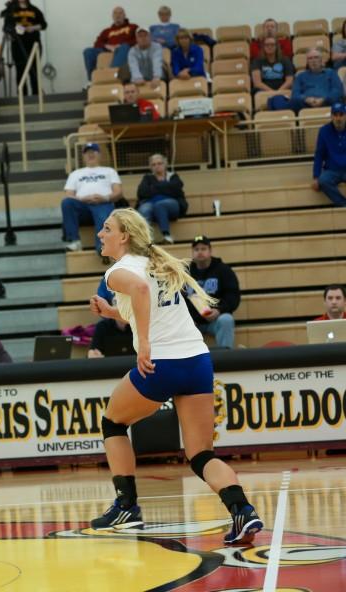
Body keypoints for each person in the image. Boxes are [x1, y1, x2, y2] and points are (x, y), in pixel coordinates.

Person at [87, 208, 263, 545]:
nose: (100, 234)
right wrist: (111, 312)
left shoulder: (117, 272)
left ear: (124, 236)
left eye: (107, 228)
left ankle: (126, 505)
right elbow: (148, 305)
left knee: (112, 423)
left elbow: (138, 291)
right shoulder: (158, 264)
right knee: (200, 455)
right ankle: (242, 510)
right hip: (196, 360)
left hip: (162, 362)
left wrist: (144, 347)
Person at [61, 143, 121, 255]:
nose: (90, 154)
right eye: (87, 152)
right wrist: (82, 199)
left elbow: (118, 192)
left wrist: (105, 197)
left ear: (99, 155)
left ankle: (102, 247)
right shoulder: (75, 173)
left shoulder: (109, 171)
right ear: (83, 156)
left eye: (93, 152)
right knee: (67, 202)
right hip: (83, 206)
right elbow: (69, 194)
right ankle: (74, 241)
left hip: (104, 203)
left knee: (102, 211)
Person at [189, 236, 240, 349]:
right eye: (196, 249)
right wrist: (188, 318)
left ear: (210, 251)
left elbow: (233, 296)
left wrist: (218, 310)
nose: (200, 252)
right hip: (192, 323)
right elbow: (180, 298)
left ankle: (226, 358)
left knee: (226, 319)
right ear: (192, 253)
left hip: (215, 320)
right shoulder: (186, 273)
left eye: (203, 249)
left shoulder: (224, 270)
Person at [270, 50, 344, 113]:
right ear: (307, 62)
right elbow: (295, 93)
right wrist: (306, 99)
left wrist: (323, 99)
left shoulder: (331, 73)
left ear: (321, 60)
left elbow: (337, 91)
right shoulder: (300, 76)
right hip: (305, 105)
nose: (313, 60)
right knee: (289, 101)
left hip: (327, 103)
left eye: (316, 57)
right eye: (310, 58)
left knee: (337, 101)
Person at [0, 0, 47, 95]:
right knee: (20, 71)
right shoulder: (11, 10)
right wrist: (14, 30)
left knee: (34, 70)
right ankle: (22, 96)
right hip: (18, 44)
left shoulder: (34, 10)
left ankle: (36, 94)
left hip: (33, 44)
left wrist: (33, 28)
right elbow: (6, 27)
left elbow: (43, 25)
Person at [136, 154, 186, 243]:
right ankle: (145, 239)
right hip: (151, 204)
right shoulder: (147, 178)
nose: (157, 166)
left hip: (172, 204)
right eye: (153, 164)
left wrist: (154, 188)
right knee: (144, 209)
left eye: (159, 163)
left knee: (160, 205)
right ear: (150, 167)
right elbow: (142, 192)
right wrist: (166, 188)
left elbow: (177, 188)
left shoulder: (173, 176)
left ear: (165, 164)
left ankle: (166, 235)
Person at [83, 7, 138, 82]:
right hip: (107, 50)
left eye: (120, 13)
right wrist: (107, 46)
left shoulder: (133, 27)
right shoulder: (106, 31)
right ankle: (92, 80)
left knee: (124, 47)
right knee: (88, 51)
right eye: (115, 13)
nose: (117, 15)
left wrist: (120, 45)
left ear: (124, 15)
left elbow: (138, 40)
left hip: (123, 50)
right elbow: (97, 44)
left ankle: (113, 76)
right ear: (112, 16)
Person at [311, 103, 346, 207]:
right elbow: (319, 154)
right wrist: (316, 176)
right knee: (323, 180)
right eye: (335, 115)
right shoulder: (324, 131)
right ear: (331, 116)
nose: (338, 118)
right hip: (332, 170)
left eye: (341, 114)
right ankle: (343, 204)